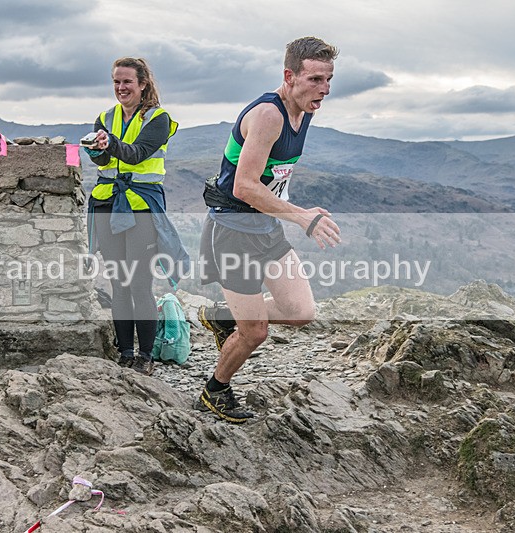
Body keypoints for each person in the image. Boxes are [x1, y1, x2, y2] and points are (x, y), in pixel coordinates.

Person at [197, 37, 342, 423]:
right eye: (315, 79)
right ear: (289, 76)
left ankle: (222, 315)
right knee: (255, 331)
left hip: (264, 226)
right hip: (231, 230)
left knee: (301, 312)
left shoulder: (304, 110)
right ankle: (215, 390)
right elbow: (244, 186)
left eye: (328, 80)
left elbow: (272, 178)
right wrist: (302, 216)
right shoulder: (268, 115)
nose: (324, 89)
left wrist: (289, 212)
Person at [85, 57, 183, 375]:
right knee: (118, 283)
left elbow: (137, 153)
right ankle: (125, 352)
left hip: (141, 205)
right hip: (107, 203)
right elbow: (103, 162)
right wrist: (96, 149)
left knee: (140, 283)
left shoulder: (158, 118)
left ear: (143, 84)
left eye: (127, 81)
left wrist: (110, 143)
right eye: (116, 81)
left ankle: (145, 356)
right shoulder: (105, 116)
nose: (120, 87)